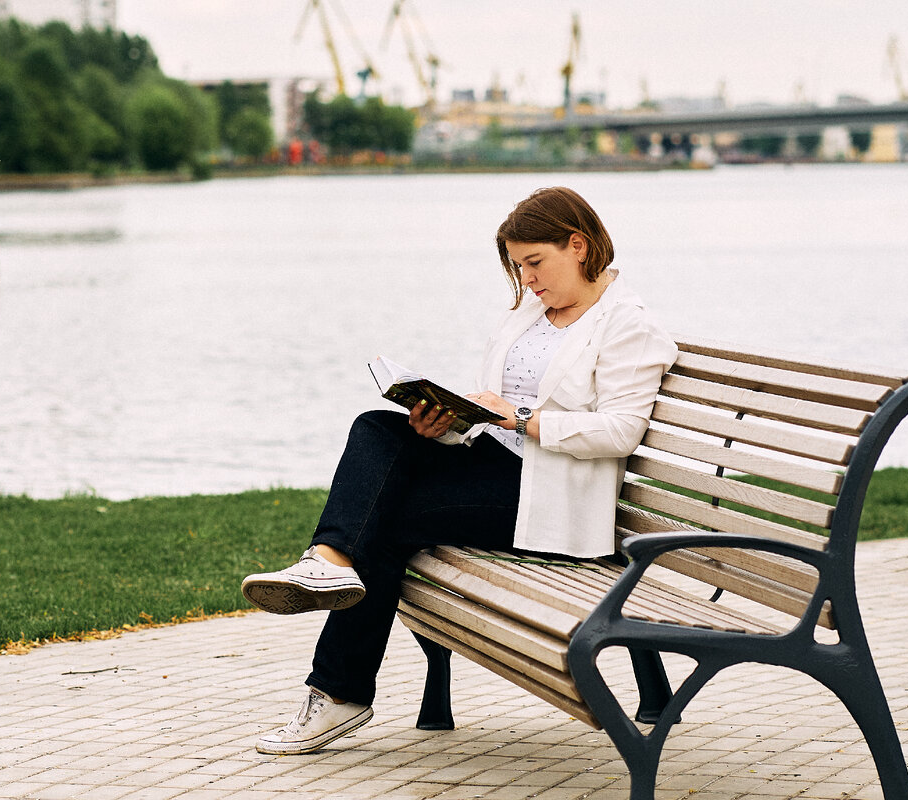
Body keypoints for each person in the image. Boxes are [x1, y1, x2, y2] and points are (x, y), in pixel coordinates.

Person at [240, 186, 678, 756]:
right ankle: (327, 562)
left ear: (578, 245)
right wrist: (450, 423)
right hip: (494, 463)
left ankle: (338, 692)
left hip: (549, 494)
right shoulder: (529, 314)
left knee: (391, 520)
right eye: (519, 267)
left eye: (536, 263)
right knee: (378, 427)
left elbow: (620, 430)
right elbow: (495, 409)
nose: (528, 280)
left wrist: (520, 418)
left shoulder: (628, 325)